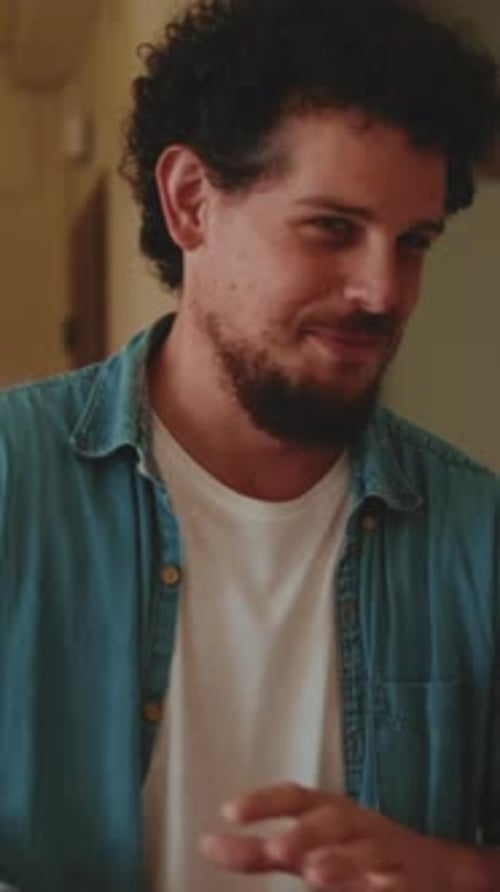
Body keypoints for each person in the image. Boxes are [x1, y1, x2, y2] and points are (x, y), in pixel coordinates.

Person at [1, 0, 500, 889]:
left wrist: (456, 874)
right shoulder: (12, 480)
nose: (384, 291)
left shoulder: (480, 534)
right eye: (333, 229)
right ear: (192, 201)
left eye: (414, 243)